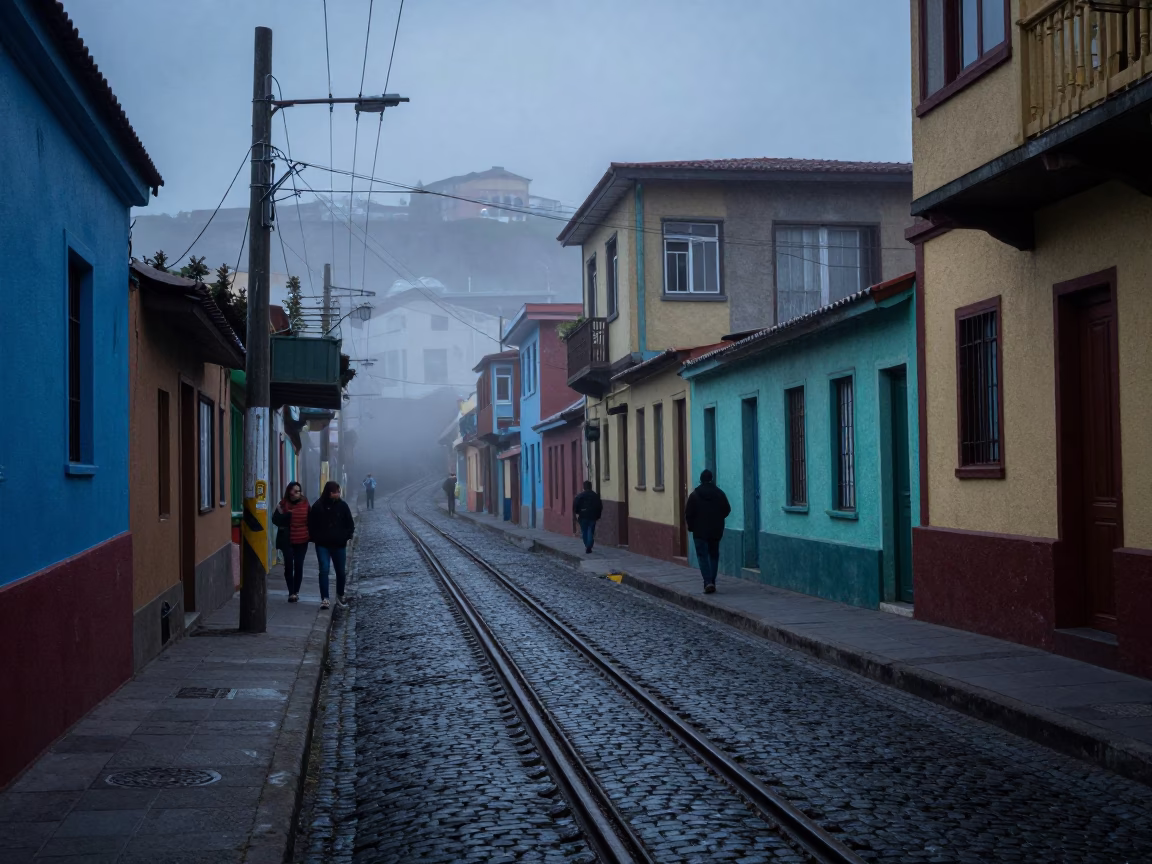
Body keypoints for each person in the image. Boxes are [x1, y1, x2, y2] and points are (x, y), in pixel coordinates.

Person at [308, 481, 355, 609]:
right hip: (322, 545)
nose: (338, 493)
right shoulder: (318, 506)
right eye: (336, 491)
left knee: (340, 572)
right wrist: (316, 538)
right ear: (329, 493)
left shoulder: (343, 506)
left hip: (339, 545)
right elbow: (311, 525)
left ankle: (340, 596)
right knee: (324, 570)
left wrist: (346, 536)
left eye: (338, 491)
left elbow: (350, 524)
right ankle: (325, 599)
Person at [684, 469, 731, 594]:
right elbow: (727, 509)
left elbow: (688, 513)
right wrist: (718, 519)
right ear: (712, 479)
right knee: (714, 555)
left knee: (702, 556)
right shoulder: (720, 494)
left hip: (699, 531)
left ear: (701, 480)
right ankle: (712, 581)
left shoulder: (694, 495)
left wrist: (691, 527)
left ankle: (707, 581)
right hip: (716, 530)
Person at [271, 482, 310, 603]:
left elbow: (310, 520)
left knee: (298, 565)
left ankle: (296, 591)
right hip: (287, 540)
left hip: (302, 539)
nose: (294, 493)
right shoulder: (282, 505)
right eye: (292, 491)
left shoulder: (305, 504)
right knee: (288, 566)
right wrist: (288, 515)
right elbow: (275, 520)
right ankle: (291, 592)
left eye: (297, 491)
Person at [572, 480, 603, 554]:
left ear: (584, 487)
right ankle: (589, 545)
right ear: (591, 487)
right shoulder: (595, 496)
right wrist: (598, 515)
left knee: (584, 531)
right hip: (593, 516)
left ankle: (587, 545)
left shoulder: (580, 496)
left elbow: (575, 506)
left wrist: (576, 514)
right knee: (591, 531)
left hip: (583, 516)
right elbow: (600, 506)